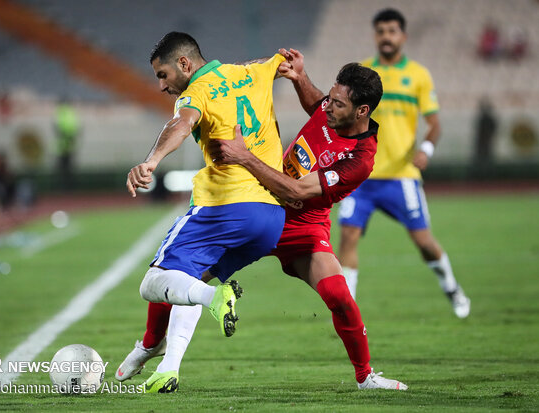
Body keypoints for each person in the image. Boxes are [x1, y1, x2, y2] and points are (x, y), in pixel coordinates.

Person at [118, 56, 407, 393]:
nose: (327, 107)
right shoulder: (330, 108)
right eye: (330, 97)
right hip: (265, 206)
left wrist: (245, 157)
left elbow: (297, 190)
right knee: (183, 272)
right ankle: (151, 344)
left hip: (304, 225)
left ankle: (365, 377)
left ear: (362, 112)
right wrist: (300, 78)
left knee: (338, 295)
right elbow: (315, 103)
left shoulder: (360, 159)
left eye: (338, 103)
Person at [124, 32, 287, 388]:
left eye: (163, 75)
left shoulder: (194, 93)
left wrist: (150, 161)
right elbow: (282, 62)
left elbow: (180, 125)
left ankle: (216, 299)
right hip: (271, 218)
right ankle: (166, 367)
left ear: (184, 64)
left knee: (153, 282)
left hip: (227, 205)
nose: (162, 86)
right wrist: (296, 72)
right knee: (186, 280)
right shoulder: (251, 72)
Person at [337, 8, 471, 318]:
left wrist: (426, 148)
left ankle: (451, 286)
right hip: (360, 175)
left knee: (424, 242)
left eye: (392, 31)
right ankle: (347, 312)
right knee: (348, 236)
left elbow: (434, 123)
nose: (386, 36)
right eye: (381, 31)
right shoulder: (362, 76)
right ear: (375, 36)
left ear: (403, 36)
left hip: (402, 176)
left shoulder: (419, 75)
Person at [54, 98, 80, 190]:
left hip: (63, 146)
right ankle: (69, 188)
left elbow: (59, 129)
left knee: (63, 169)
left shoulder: (62, 113)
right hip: (68, 145)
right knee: (68, 169)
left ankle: (64, 188)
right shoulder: (70, 113)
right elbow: (75, 130)